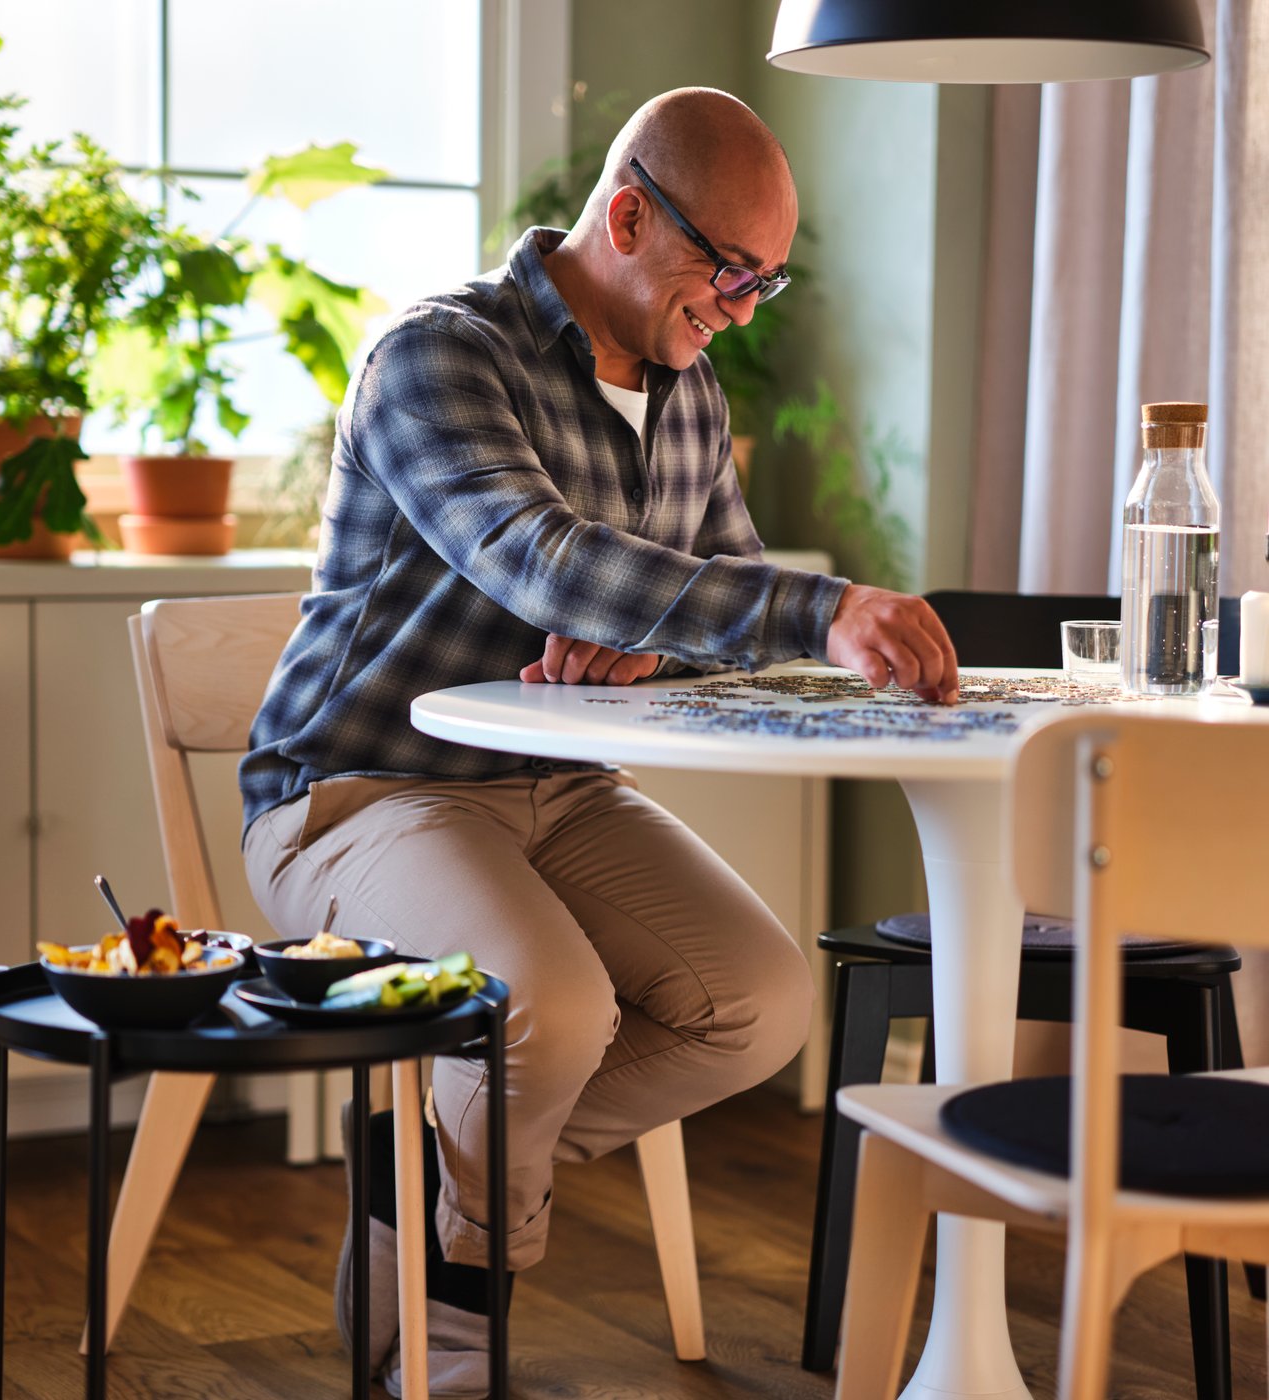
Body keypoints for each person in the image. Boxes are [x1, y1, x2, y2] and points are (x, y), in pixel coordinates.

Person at [240, 86, 958, 1398]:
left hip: (556, 793)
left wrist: (660, 640)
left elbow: (720, 594)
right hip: (358, 793)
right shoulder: (440, 358)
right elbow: (535, 556)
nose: (739, 311)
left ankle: (425, 1175)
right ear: (627, 215)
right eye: (728, 273)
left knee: (762, 1001)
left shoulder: (686, 391)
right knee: (550, 1011)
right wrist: (818, 602)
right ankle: (456, 1336)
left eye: (765, 285)